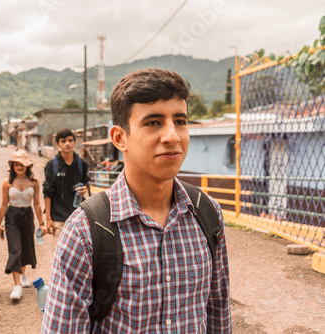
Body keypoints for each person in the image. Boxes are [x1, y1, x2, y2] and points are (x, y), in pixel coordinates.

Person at [41, 69, 232, 333]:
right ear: (120, 138)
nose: (172, 136)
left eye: (180, 121)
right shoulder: (85, 232)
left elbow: (218, 314)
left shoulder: (208, 213)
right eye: (153, 122)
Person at [0, 150, 47, 300]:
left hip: (27, 215)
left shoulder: (34, 182)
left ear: (27, 166)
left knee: (25, 247)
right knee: (15, 250)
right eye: (16, 164)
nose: (19, 167)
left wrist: (42, 223)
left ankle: (23, 274)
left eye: (22, 164)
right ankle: (17, 286)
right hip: (12, 216)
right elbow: (4, 204)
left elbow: (37, 204)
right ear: (12, 166)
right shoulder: (7, 182)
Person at [43, 128, 90, 241]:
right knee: (61, 255)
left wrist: (85, 190)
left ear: (74, 142)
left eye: (70, 140)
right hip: (59, 219)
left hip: (79, 218)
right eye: (63, 141)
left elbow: (87, 186)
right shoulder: (52, 165)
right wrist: (49, 219)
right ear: (58, 144)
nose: (67, 144)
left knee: (79, 255)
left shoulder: (82, 164)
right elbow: (47, 192)